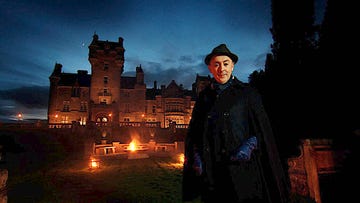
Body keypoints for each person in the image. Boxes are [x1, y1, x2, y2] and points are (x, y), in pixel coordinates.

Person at [182, 44, 289, 203]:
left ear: (232, 66)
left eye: (225, 63)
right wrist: (196, 157)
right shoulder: (204, 98)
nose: (221, 68)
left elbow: (262, 130)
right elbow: (194, 132)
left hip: (242, 172)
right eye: (216, 64)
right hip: (212, 175)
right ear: (210, 68)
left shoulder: (247, 93)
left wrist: (248, 146)